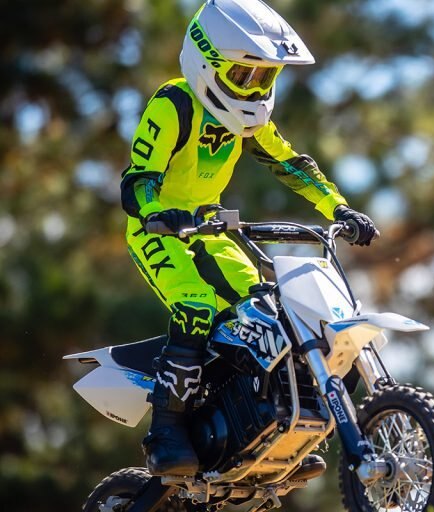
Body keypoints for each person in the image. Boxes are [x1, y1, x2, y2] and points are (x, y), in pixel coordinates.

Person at [120, 0, 377, 477]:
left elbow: (290, 163)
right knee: (196, 305)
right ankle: (166, 433)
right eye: (243, 75)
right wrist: (157, 213)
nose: (254, 89)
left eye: (264, 78)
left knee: (265, 313)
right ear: (207, 62)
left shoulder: (249, 121)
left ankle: (276, 422)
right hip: (158, 229)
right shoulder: (174, 104)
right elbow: (139, 178)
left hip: (210, 229)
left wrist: (339, 208)